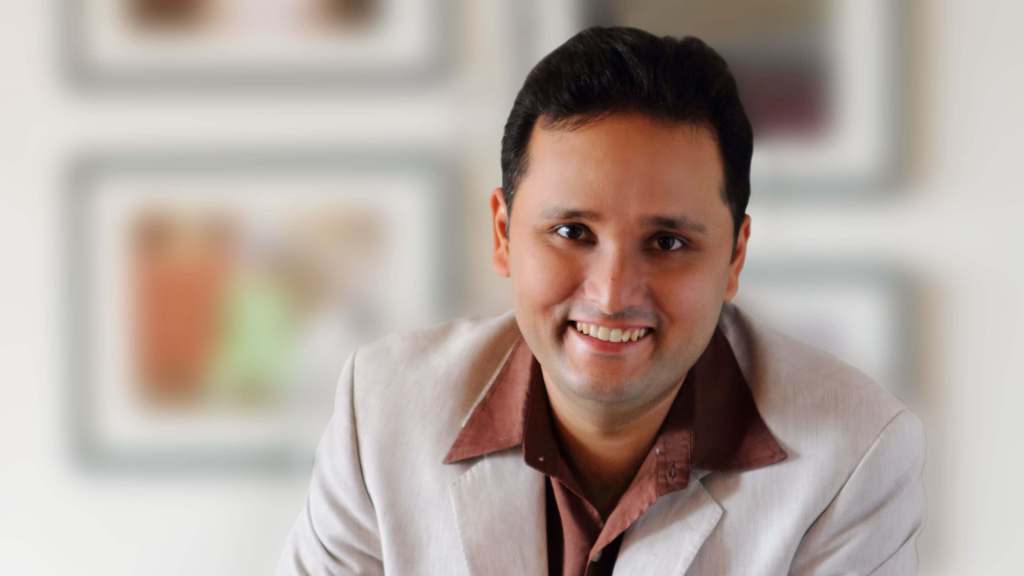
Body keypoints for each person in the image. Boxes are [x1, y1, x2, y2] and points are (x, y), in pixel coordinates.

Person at [277, 27, 924, 575]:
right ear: (502, 234)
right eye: (572, 233)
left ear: (734, 257)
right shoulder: (383, 412)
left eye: (668, 242)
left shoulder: (854, 455)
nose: (612, 293)